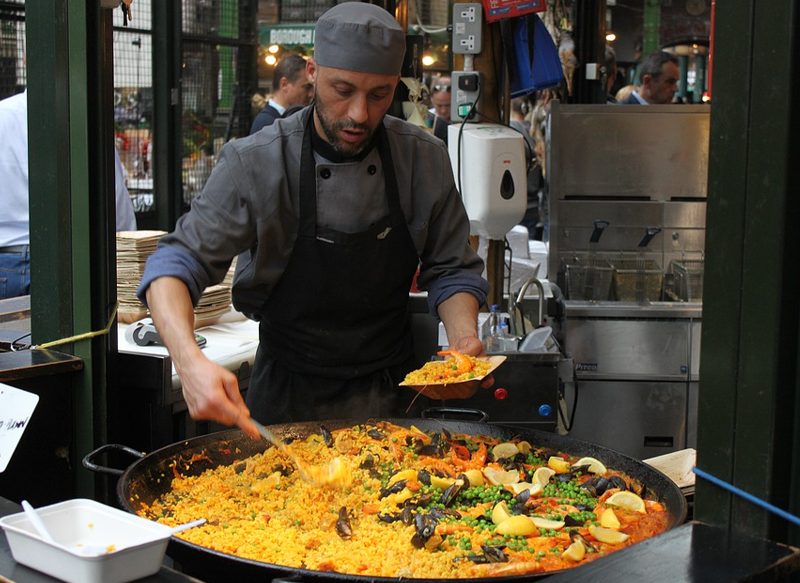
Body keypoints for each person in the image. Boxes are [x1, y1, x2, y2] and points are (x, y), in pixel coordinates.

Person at [138, 3, 489, 437]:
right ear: (312, 72)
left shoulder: (423, 158)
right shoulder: (258, 162)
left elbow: (453, 268)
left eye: (379, 94)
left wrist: (462, 344)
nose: (359, 114)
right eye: (342, 89)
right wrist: (189, 362)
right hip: (285, 397)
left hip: (392, 395)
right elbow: (173, 265)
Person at [0, 90, 136, 300]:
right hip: (64, 259)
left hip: (5, 260)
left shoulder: (3, 114)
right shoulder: (83, 118)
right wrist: (125, 248)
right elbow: (113, 194)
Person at [250, 53, 314, 133]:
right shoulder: (266, 123)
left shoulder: (288, 119)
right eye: (307, 87)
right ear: (284, 84)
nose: (311, 94)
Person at [428, 75, 451, 143]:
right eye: (439, 106)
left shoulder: (464, 121)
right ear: (432, 100)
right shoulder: (426, 119)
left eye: (447, 105)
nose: (443, 111)